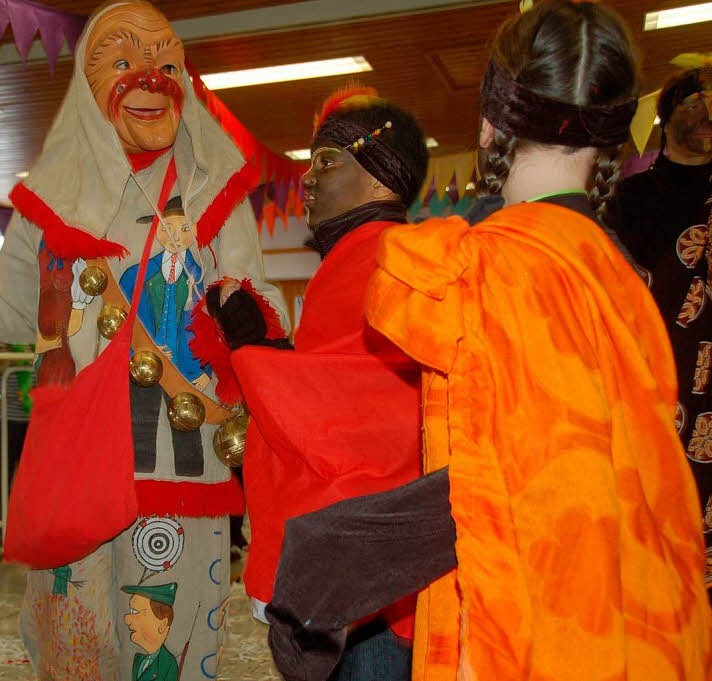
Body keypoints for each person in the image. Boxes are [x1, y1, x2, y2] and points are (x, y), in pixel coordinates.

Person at [276, 2, 711, 680]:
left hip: (520, 642)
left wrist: (332, 561)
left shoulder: (477, 272)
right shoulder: (629, 281)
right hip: (637, 631)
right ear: (612, 137)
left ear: (489, 124)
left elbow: (490, 504)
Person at [0, 3, 286, 678]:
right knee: (72, 651)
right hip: (73, 470)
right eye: (123, 62)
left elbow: (262, 300)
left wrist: (247, 315)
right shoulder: (49, 200)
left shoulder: (218, 194)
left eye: (165, 62)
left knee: (168, 656)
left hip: (179, 472)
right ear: (88, 88)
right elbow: (11, 307)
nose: (148, 78)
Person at [224, 90, 429, 681]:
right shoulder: (356, 260)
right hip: (364, 564)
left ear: (381, 176)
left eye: (327, 162)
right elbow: (347, 385)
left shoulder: (384, 260)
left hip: (366, 573)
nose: (307, 180)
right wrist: (278, 352)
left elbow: (354, 419)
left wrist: (254, 351)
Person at [606, 65, 712, 595]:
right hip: (658, 380)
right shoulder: (631, 198)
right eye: (696, 99)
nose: (709, 110)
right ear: (668, 116)